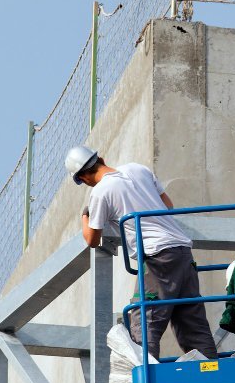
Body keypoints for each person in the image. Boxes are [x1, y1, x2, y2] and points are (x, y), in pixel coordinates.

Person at [65, 145, 218, 361]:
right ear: (101, 159)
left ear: (83, 177)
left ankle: (145, 373)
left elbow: (92, 239)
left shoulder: (100, 192)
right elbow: (168, 206)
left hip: (157, 258)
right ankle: (210, 371)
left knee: (145, 320)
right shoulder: (138, 169)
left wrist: (85, 215)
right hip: (182, 251)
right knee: (191, 321)